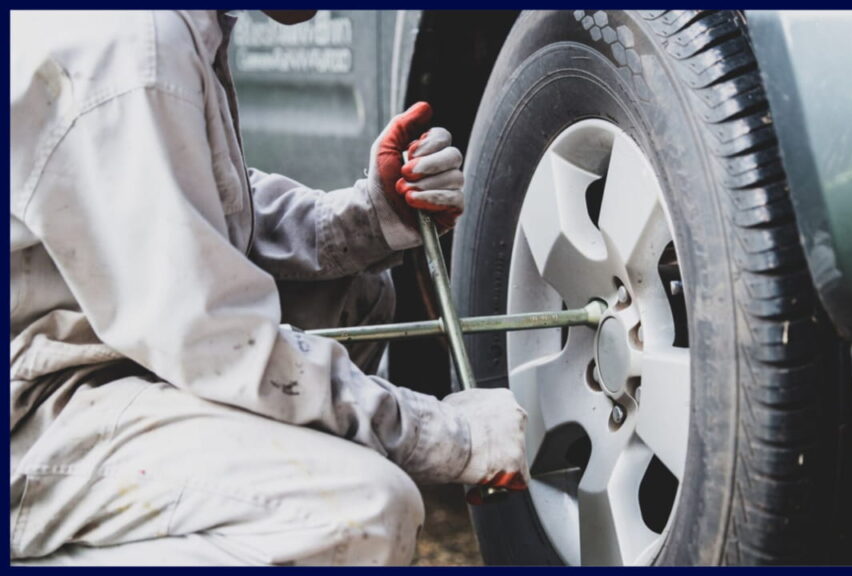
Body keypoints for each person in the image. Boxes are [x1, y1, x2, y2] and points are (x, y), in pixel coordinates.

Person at [10, 10, 528, 565]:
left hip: (92, 355)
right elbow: (217, 342)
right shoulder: (130, 46)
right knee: (364, 512)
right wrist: (450, 437)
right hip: (34, 420)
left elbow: (189, 201)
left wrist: (369, 219)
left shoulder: (171, 27)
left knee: (357, 293)